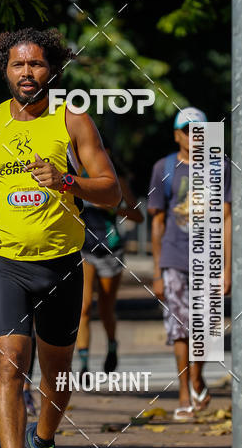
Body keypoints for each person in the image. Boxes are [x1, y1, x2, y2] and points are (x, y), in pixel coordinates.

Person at [0, 27, 120, 448]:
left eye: (35, 64)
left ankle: (44, 440)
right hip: (5, 262)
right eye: (18, 65)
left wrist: (69, 180)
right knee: (9, 363)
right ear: (3, 69)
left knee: (56, 378)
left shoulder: (72, 122)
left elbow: (112, 191)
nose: (27, 73)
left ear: (51, 69)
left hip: (61, 267)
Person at [147, 107, 231, 420]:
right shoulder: (163, 168)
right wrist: (157, 271)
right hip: (173, 258)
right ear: (177, 135)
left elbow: (226, 217)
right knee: (180, 329)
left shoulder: (221, 167)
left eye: (201, 131)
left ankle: (197, 378)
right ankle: (184, 392)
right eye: (188, 130)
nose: (194, 137)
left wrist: (227, 268)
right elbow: (157, 222)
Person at [77, 141, 144, 382]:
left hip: (111, 250)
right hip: (84, 249)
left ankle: (112, 345)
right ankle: (83, 364)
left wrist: (112, 207)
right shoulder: (77, 177)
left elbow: (138, 216)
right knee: (83, 308)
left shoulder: (117, 182)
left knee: (106, 309)